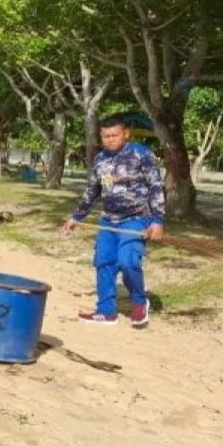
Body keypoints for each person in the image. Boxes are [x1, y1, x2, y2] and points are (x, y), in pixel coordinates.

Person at [62, 115, 166, 327]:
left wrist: (157, 220)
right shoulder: (100, 160)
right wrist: (76, 217)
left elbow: (156, 187)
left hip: (136, 219)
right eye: (105, 136)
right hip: (108, 221)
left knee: (128, 261)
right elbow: (92, 192)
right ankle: (106, 311)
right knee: (103, 261)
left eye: (114, 135)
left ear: (126, 134)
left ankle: (139, 302)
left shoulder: (141, 154)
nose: (110, 139)